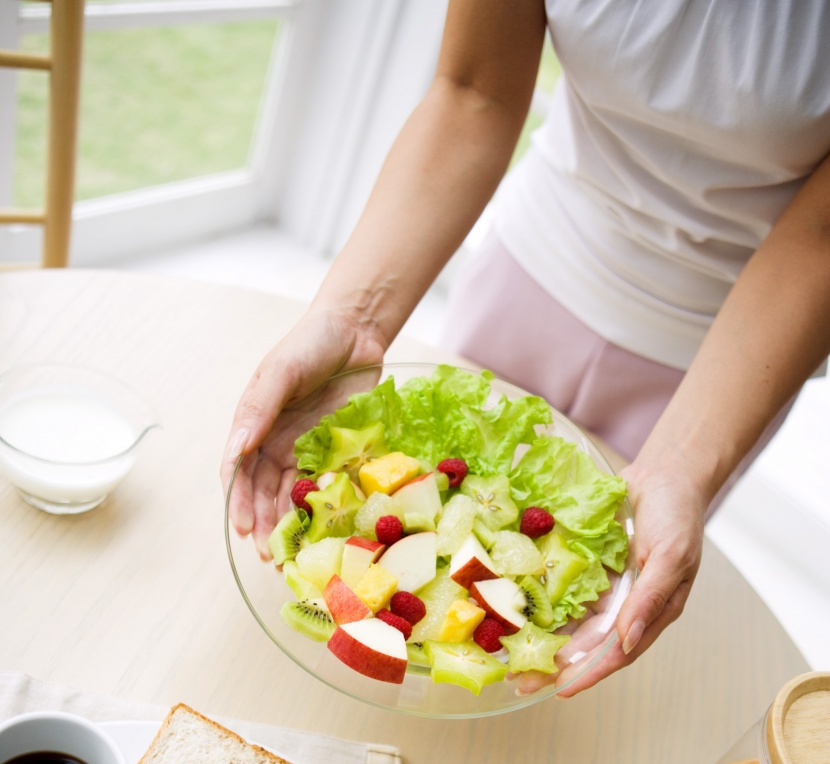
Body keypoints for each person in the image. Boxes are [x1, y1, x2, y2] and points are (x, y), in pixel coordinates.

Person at [221, 0, 830, 697]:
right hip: (534, 267)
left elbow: (821, 239)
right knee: (458, 479)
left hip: (726, 363)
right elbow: (473, 90)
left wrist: (681, 469)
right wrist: (353, 317)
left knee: (585, 591)